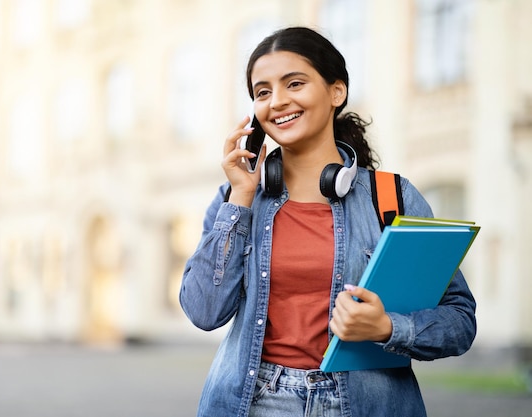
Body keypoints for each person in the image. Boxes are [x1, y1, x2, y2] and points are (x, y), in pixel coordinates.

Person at [179, 26, 476, 417]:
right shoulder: (235, 199)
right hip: (257, 403)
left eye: (294, 83)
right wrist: (241, 199)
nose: (278, 101)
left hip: (367, 404)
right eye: (263, 92)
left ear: (337, 92)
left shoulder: (393, 197)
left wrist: (387, 327)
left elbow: (459, 320)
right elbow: (204, 311)